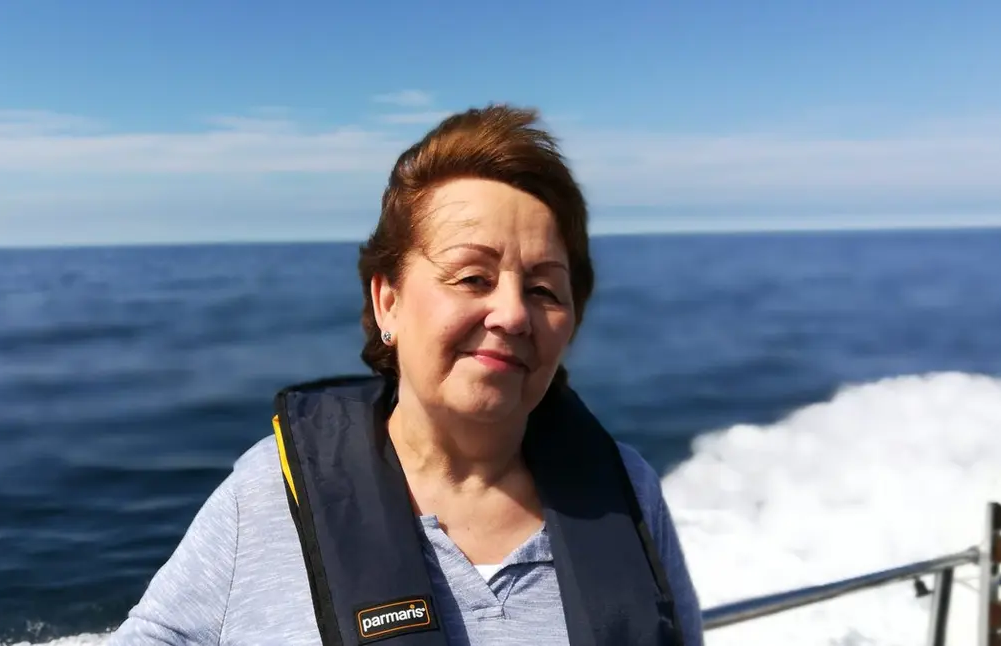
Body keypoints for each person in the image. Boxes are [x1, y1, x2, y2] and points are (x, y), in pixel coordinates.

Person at [107, 104, 704, 646]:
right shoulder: (269, 494)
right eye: (473, 277)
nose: (514, 313)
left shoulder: (629, 494)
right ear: (388, 301)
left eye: (545, 289)